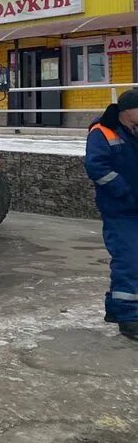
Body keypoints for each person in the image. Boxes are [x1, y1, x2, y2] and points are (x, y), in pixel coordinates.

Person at [84, 88, 138, 341]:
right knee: (129, 260)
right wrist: (125, 192)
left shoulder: (133, 131)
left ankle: (116, 310)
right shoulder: (102, 132)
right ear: (128, 111)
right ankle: (129, 318)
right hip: (120, 209)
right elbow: (97, 167)